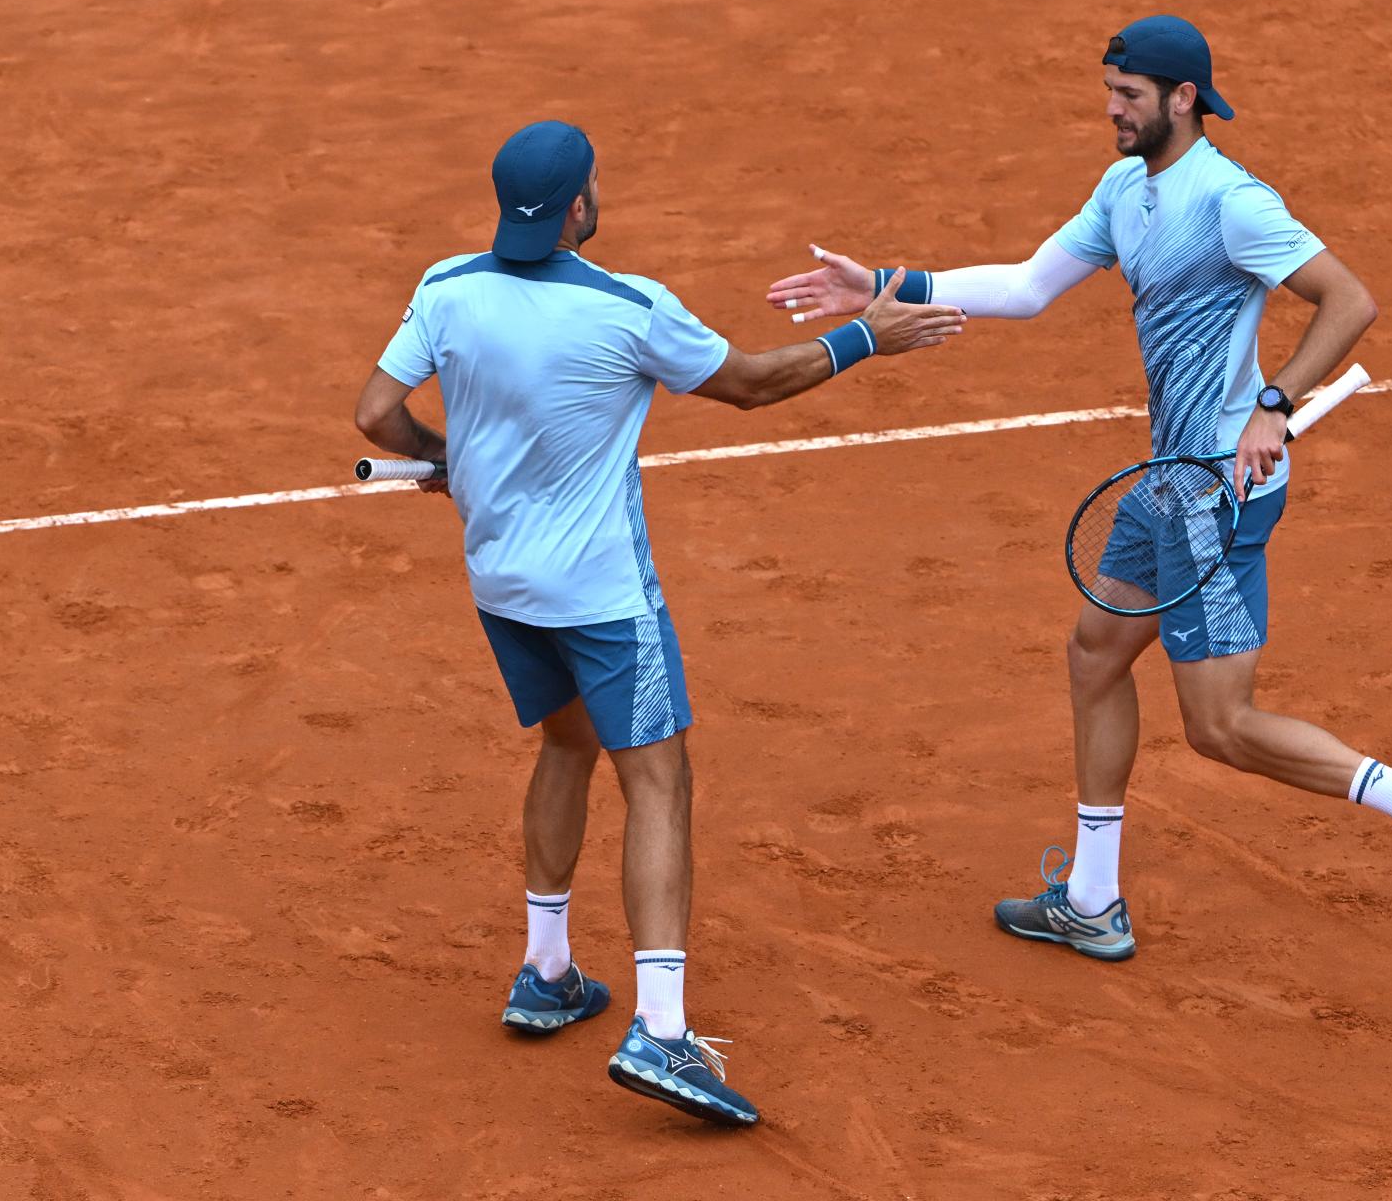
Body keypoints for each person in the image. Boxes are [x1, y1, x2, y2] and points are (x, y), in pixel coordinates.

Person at [765, 15, 1392, 952]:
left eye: (1128, 96)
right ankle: (1092, 898)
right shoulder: (1126, 188)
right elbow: (1030, 287)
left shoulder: (1233, 201)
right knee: (1095, 655)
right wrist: (883, 282)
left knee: (1221, 727)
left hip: (1216, 498)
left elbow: (1350, 299)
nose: (1111, 110)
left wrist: (1273, 403)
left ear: (1182, 98)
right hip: (1167, 481)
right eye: (1109, 92)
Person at [356, 120, 965, 1126]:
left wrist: (448, 459)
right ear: (581, 209)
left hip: (500, 581)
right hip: (601, 597)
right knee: (659, 777)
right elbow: (754, 383)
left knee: (565, 744)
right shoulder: (632, 309)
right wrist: (871, 334)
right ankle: (665, 1030)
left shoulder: (447, 286)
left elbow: (379, 413)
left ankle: (547, 969)